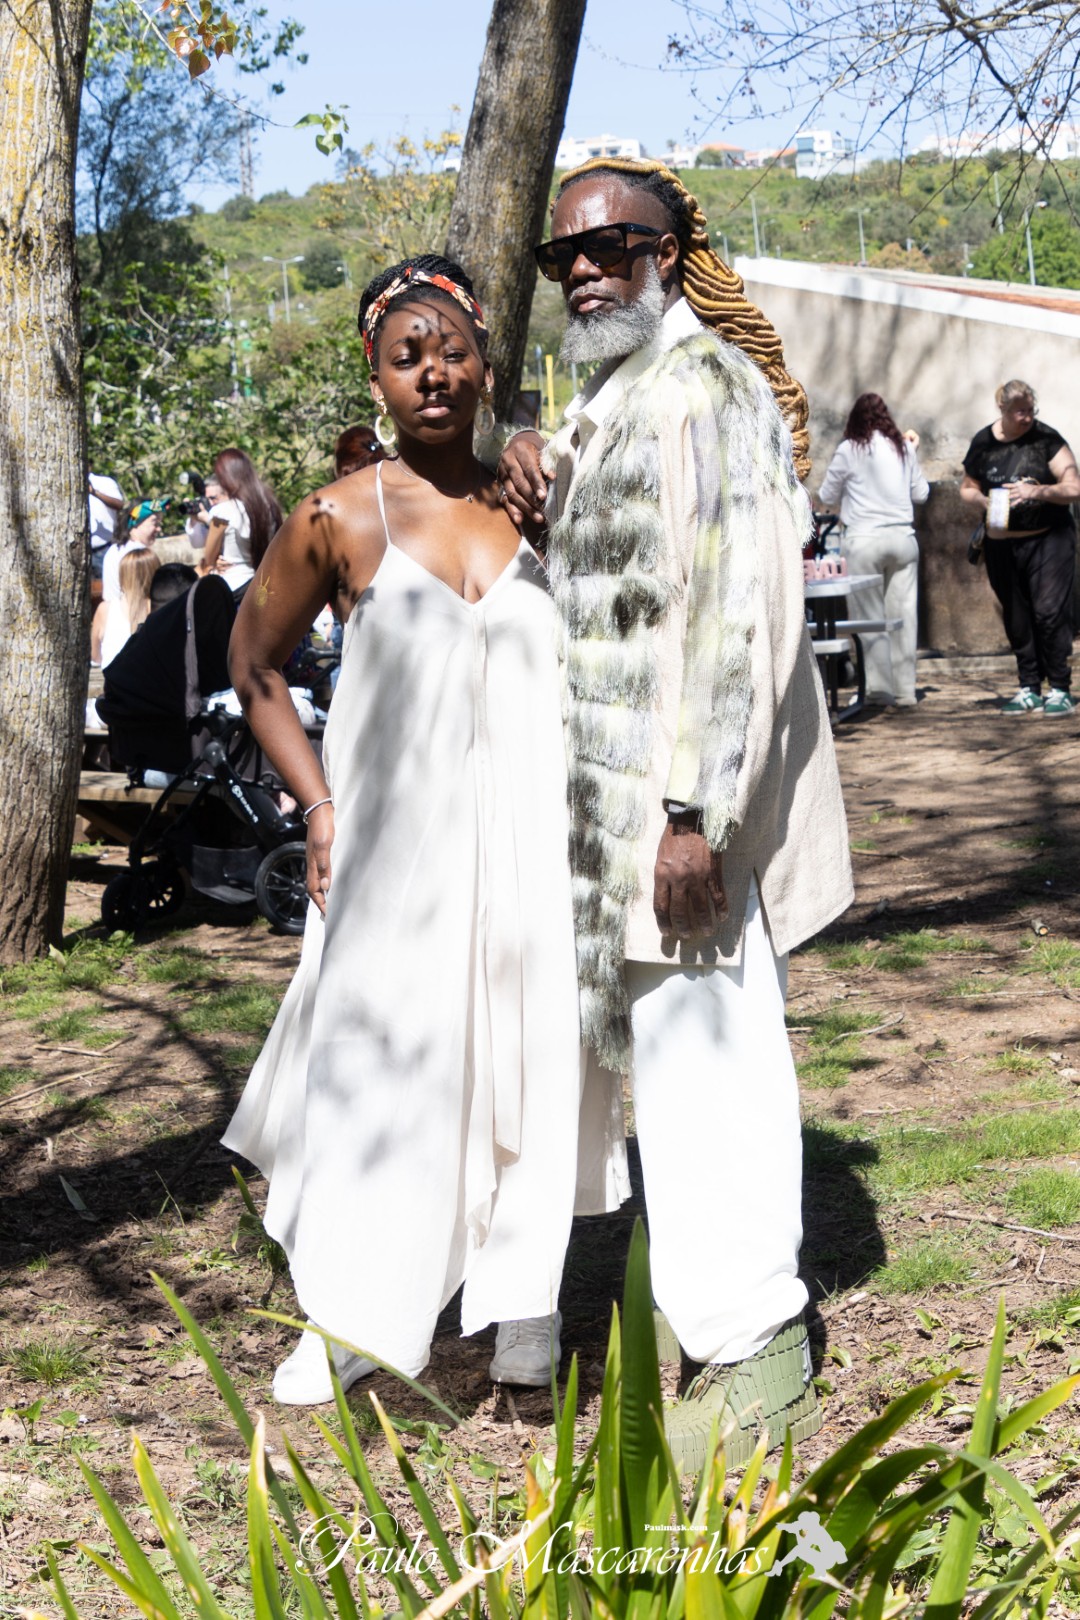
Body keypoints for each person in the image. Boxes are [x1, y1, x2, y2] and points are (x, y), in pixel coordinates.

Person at [498, 157, 853, 1475]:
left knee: (713, 1055)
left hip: (682, 805)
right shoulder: (619, 395)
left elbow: (741, 617)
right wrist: (536, 473)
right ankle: (712, 1309)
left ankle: (755, 1346)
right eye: (565, 257)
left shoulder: (711, 386)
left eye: (613, 246)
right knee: (675, 1061)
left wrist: (696, 810)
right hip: (617, 809)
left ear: (671, 250)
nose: (586, 271)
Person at [222, 255, 586, 1405]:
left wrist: (540, 457)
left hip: (534, 842)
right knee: (374, 1061)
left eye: (452, 351)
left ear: (485, 363)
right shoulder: (337, 517)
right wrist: (318, 804)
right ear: (376, 377)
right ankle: (352, 1305)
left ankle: (524, 1308)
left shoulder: (537, 501)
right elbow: (253, 663)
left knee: (532, 1056)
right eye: (405, 357)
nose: (433, 374)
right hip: (394, 851)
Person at [961, 379, 1080, 716]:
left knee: (1048, 612)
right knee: (1017, 617)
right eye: (1020, 412)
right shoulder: (983, 443)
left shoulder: (1046, 440)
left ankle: (1060, 688)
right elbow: (967, 488)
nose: (1027, 417)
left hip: (1049, 541)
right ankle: (1029, 687)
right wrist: (984, 501)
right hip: (1001, 544)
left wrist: (1037, 492)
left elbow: (1074, 487)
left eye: (1030, 410)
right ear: (1002, 409)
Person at [817, 392, 929, 707]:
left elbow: (827, 494)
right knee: (904, 615)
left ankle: (879, 690)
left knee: (868, 617)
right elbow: (921, 494)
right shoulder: (903, 448)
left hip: (864, 540)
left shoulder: (849, 449)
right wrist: (912, 453)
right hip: (903, 539)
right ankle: (905, 691)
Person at [201, 449, 282, 593]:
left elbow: (209, 559)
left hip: (234, 585)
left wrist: (206, 520)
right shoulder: (269, 505)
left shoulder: (222, 511)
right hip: (265, 582)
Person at [90, 546, 159, 667]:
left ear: (122, 575)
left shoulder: (106, 609)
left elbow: (95, 656)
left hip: (113, 676)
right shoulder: (162, 609)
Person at [101, 500, 162, 603]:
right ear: (136, 522)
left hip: (112, 609)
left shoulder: (114, 549)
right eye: (155, 523)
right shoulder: (138, 553)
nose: (159, 529)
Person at [88, 472, 124, 579]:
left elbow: (119, 505)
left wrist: (94, 492)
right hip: (79, 551)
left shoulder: (105, 482)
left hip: (104, 549)